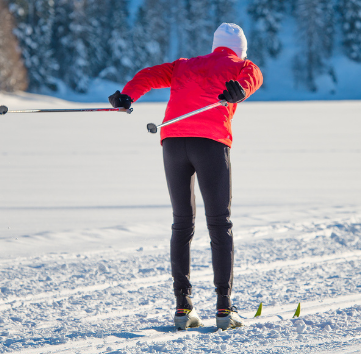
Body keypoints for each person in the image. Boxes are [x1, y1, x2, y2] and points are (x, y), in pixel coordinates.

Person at [109, 23, 263, 330]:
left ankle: (183, 308)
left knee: (182, 222)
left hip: (173, 143)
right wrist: (239, 92)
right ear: (241, 49)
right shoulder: (244, 65)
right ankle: (224, 308)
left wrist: (127, 96)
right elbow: (251, 80)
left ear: (215, 45)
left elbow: (148, 75)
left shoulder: (185, 65)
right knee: (219, 222)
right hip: (210, 143)